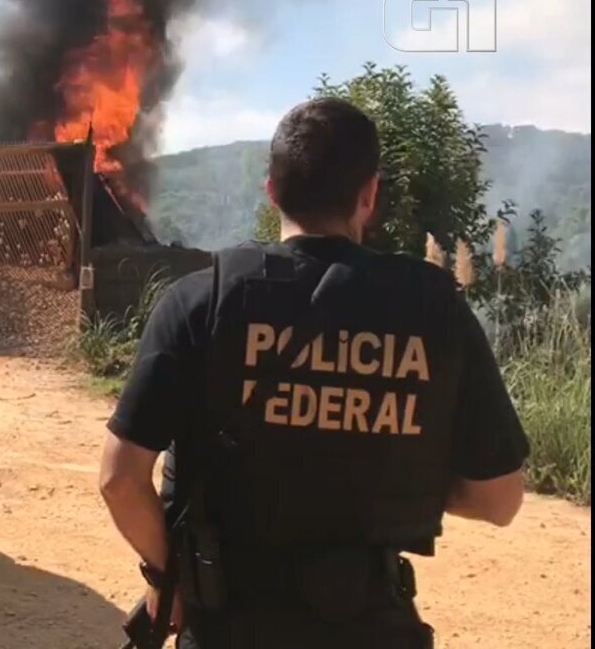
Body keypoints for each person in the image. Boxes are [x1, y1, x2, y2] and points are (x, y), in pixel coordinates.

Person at [98, 97, 529, 649]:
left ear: (271, 190)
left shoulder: (199, 301)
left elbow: (119, 479)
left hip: (230, 627)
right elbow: (499, 500)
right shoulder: (436, 310)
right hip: (374, 629)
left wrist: (167, 576)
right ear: (369, 195)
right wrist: (382, 478)